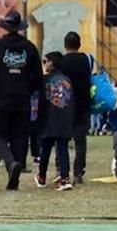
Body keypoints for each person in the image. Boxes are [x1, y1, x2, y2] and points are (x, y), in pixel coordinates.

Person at [0, 10, 43, 190]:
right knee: (19, 137)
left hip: (1, 98)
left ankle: (10, 163)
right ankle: (15, 172)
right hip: (22, 99)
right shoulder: (30, 48)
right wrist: (27, 90)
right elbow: (38, 77)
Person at [35, 52, 75, 191]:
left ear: (52, 63)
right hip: (64, 119)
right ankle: (64, 178)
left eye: (45, 61)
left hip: (48, 119)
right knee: (63, 149)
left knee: (45, 150)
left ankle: (42, 177)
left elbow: (40, 101)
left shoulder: (44, 80)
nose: (44, 64)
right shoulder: (67, 80)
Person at [60, 32, 92, 184]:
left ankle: (62, 169)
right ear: (79, 44)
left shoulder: (62, 62)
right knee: (80, 141)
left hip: (65, 105)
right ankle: (78, 171)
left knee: (62, 140)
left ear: (65, 45)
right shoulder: (85, 59)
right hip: (83, 104)